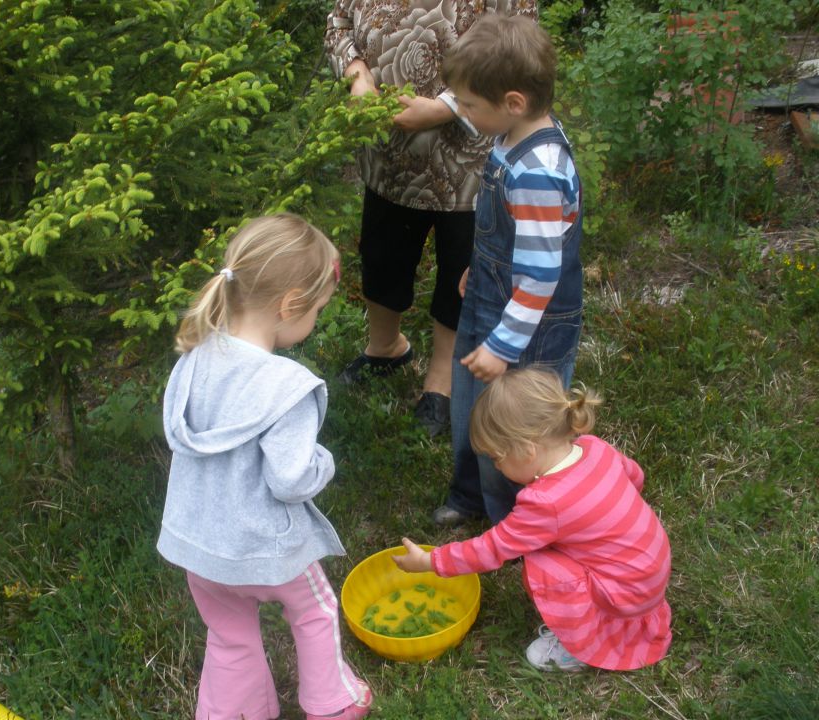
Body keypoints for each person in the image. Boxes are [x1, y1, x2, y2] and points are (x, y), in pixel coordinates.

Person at [157, 214, 371, 720]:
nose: (315, 318)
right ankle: (333, 705)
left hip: (201, 549)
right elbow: (291, 478)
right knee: (316, 612)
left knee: (228, 637)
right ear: (290, 304)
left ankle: (230, 713)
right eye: (317, 309)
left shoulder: (192, 358)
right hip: (267, 551)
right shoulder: (287, 386)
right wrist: (324, 463)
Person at [324, 0, 538, 438]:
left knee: (461, 266)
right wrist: (358, 75)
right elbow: (338, 20)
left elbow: (519, 42)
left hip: (469, 156)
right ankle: (385, 348)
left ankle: (441, 379)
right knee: (382, 253)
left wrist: (445, 107)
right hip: (385, 148)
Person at [394, 368, 673, 672]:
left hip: (625, 595)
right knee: (553, 547)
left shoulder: (544, 502)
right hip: (651, 572)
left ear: (527, 450)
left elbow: (492, 549)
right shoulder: (594, 447)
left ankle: (577, 645)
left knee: (538, 564)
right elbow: (636, 477)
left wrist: (431, 561)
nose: (497, 467)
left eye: (497, 458)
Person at [429, 13, 585, 526]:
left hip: (528, 327)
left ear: (512, 102)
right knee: (471, 406)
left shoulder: (538, 172)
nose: (464, 113)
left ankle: (518, 521)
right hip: (492, 297)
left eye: (470, 105)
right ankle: (470, 494)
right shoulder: (512, 136)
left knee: (513, 422)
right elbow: (509, 233)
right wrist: (481, 268)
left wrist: (502, 347)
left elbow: (540, 277)